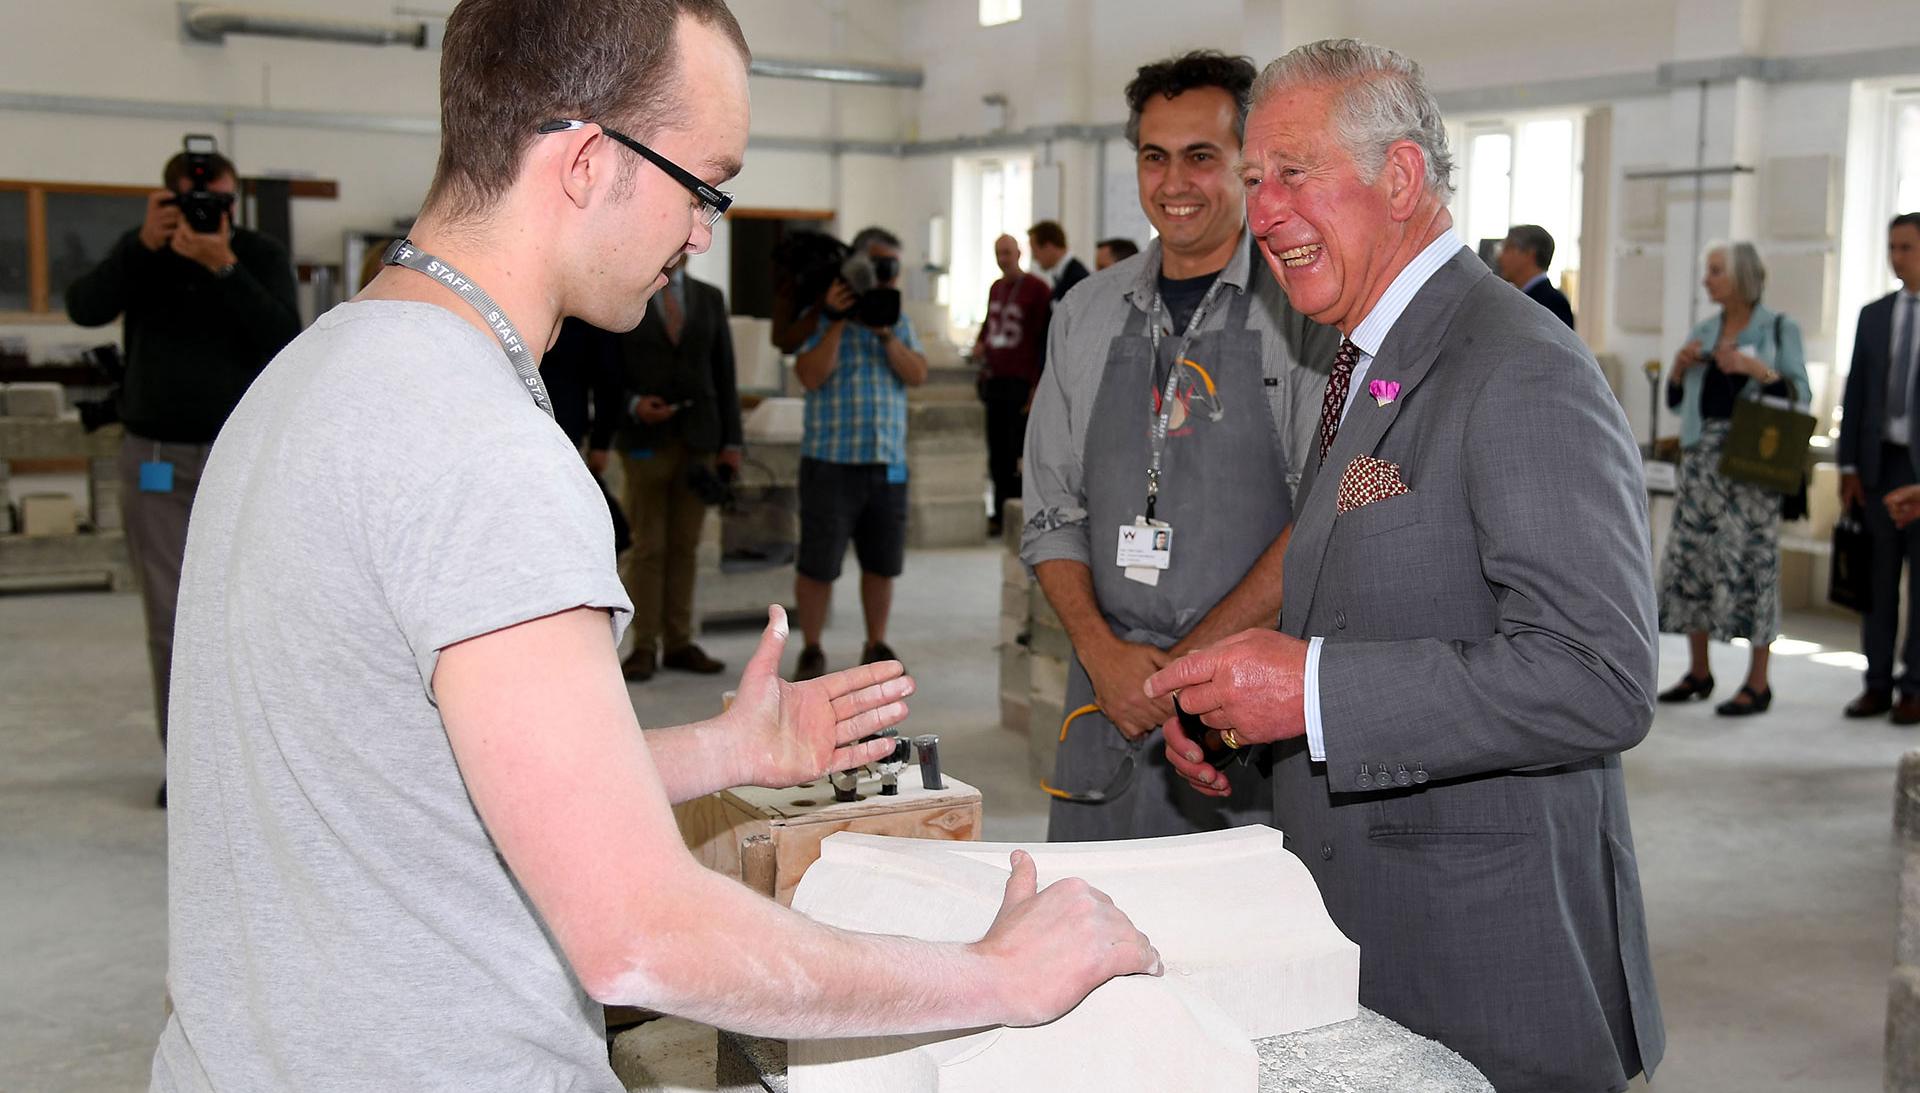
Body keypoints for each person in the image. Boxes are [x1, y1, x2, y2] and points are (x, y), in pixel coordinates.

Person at [150, 3, 1157, 1090]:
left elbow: (418, 775)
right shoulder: (483, 447)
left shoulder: (314, 374)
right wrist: (997, 974)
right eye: (703, 185)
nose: (702, 233)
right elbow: (640, 931)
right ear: (587, 160)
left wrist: (724, 752)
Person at [1145, 40, 1663, 1090]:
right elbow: (1384, 605)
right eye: (1255, 179)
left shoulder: (1517, 365)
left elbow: (1599, 676)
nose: (1264, 210)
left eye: (1294, 173)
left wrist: (1311, 692)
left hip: (1488, 963)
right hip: (1376, 938)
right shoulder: (1372, 360)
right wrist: (1246, 715)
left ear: (1401, 178)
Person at [1022, 49, 1336, 842]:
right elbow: (1050, 511)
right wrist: (1103, 653)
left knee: (1230, 907)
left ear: (1248, 165)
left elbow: (1322, 523)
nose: (1173, 182)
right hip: (1106, 688)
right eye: (1154, 157)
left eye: (1201, 156)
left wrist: (1183, 670)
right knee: (1088, 907)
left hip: (1241, 701)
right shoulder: (1085, 313)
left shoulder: (1301, 314)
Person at [64, 143, 300, 809]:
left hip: (242, 459)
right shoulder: (143, 254)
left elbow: (286, 336)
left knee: (252, 614)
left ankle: (256, 763)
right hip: (158, 458)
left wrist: (224, 266)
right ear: (163, 199)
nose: (205, 212)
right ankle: (190, 764)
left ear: (234, 200)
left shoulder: (256, 255)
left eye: (217, 201)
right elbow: (84, 307)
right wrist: (141, 246)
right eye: (192, 201)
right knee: (170, 618)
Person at [1654, 243, 1810, 716]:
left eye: (1716, 271)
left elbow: (1800, 395)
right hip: (1702, 461)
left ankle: (1758, 682)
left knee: (1753, 564)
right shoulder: (1705, 330)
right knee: (1692, 560)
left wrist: (1754, 369)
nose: (1707, 280)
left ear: (1742, 276)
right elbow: (1679, 403)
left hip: (1753, 464)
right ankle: (1699, 672)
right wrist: (1679, 369)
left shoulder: (1779, 328)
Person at [790, 226, 928, 681]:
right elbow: (809, 375)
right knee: (818, 564)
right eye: (878, 264)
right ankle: (812, 647)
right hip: (830, 461)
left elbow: (917, 374)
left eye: (892, 267)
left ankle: (876, 641)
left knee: (882, 562)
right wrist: (838, 320)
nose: (884, 275)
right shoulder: (822, 316)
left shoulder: (896, 319)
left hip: (885, 462)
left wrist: (885, 335)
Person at [614, 265, 743, 682]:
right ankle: (643, 645)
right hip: (644, 439)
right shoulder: (627, 288)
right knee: (648, 546)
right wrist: (632, 404)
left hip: (699, 438)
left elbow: (724, 371)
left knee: (686, 546)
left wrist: (732, 442)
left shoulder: (709, 297)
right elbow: (607, 367)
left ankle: (679, 641)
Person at [1838, 213, 1920, 721]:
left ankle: (1915, 687)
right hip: (1877, 466)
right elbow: (1855, 393)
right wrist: (1847, 466)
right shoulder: (1874, 315)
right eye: (1892, 247)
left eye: (1906, 247)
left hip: (1919, 470)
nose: (1896, 257)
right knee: (1877, 583)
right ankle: (1877, 683)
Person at [973, 233, 1052, 537]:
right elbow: (988, 324)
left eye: (1007, 252)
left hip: (1021, 380)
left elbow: (1043, 339)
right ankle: (999, 512)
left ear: (1019, 253)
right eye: (998, 253)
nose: (1003, 258)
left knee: (1017, 450)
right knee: (997, 452)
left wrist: (1037, 384)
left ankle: (1021, 513)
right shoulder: (996, 287)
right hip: (996, 377)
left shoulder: (1037, 289)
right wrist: (980, 344)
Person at [1498, 223, 1575, 329]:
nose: (1500, 256)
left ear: (1529, 254)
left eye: (1507, 249)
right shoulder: (1515, 298)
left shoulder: (1554, 303)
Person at [1028, 219, 1089, 303]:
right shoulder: (1064, 275)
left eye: (1035, 250)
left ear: (1048, 247)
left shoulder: (1077, 279)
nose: (1034, 257)